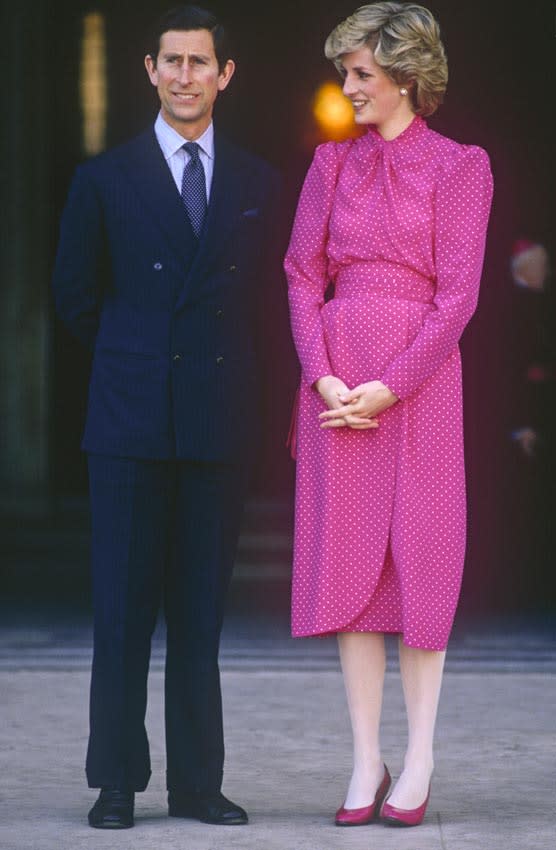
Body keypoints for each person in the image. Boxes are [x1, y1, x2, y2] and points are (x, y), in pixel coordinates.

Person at [53, 4, 280, 830]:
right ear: (149, 71)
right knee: (120, 617)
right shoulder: (103, 180)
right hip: (128, 425)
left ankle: (196, 784)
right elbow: (76, 299)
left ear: (225, 75)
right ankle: (116, 783)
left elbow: (263, 302)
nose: (185, 76)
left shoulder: (258, 182)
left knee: (199, 620)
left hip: (216, 425)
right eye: (171, 61)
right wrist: (139, 361)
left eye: (200, 62)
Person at [285, 1, 492, 828]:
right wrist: (322, 375)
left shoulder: (461, 166)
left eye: (362, 74)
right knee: (350, 570)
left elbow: (459, 297)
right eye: (347, 73)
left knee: (423, 563)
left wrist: (391, 384)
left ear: (407, 77)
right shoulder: (330, 167)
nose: (349, 87)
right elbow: (302, 274)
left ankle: (422, 756)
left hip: (422, 389)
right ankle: (366, 757)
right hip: (339, 395)